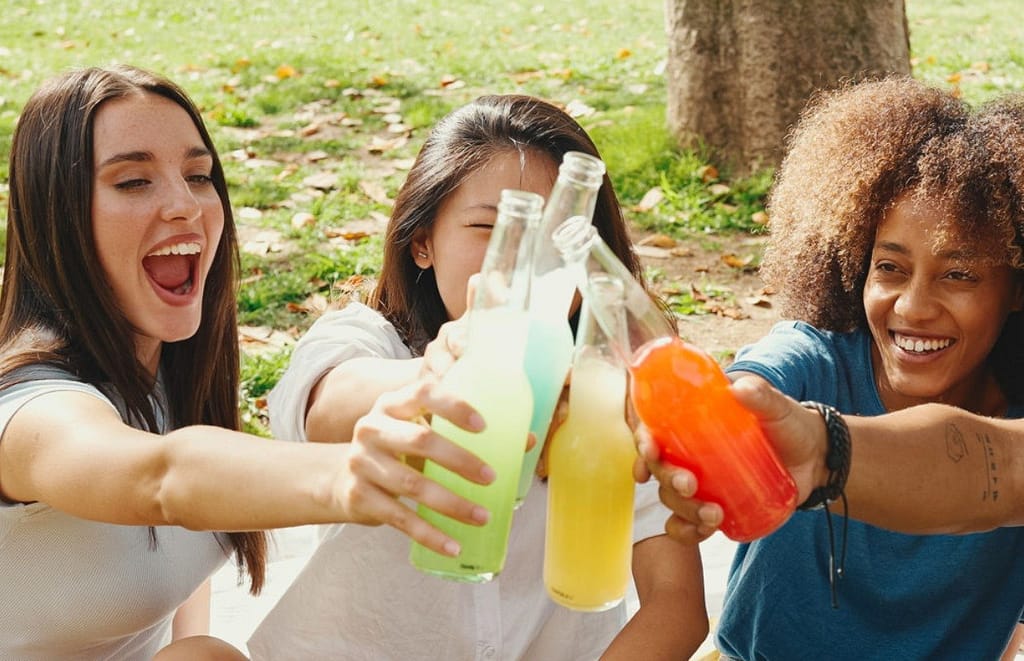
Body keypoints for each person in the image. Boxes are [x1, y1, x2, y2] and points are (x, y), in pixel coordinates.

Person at [0, 65, 506, 660]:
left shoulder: (172, 368)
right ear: (56, 215)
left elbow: (184, 565)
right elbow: (160, 479)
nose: (184, 204)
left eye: (198, 174)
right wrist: (346, 476)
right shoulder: (30, 408)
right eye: (134, 181)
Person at [249, 94, 709, 660]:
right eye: (490, 227)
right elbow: (327, 408)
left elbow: (676, 604)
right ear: (423, 243)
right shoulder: (366, 341)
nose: (521, 263)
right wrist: (438, 373)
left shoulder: (610, 391)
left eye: (555, 239)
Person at [642, 77, 1024, 659]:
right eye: (890, 268)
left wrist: (824, 453)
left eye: (960, 275)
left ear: (1017, 288)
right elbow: (744, 389)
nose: (914, 307)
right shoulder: (812, 360)